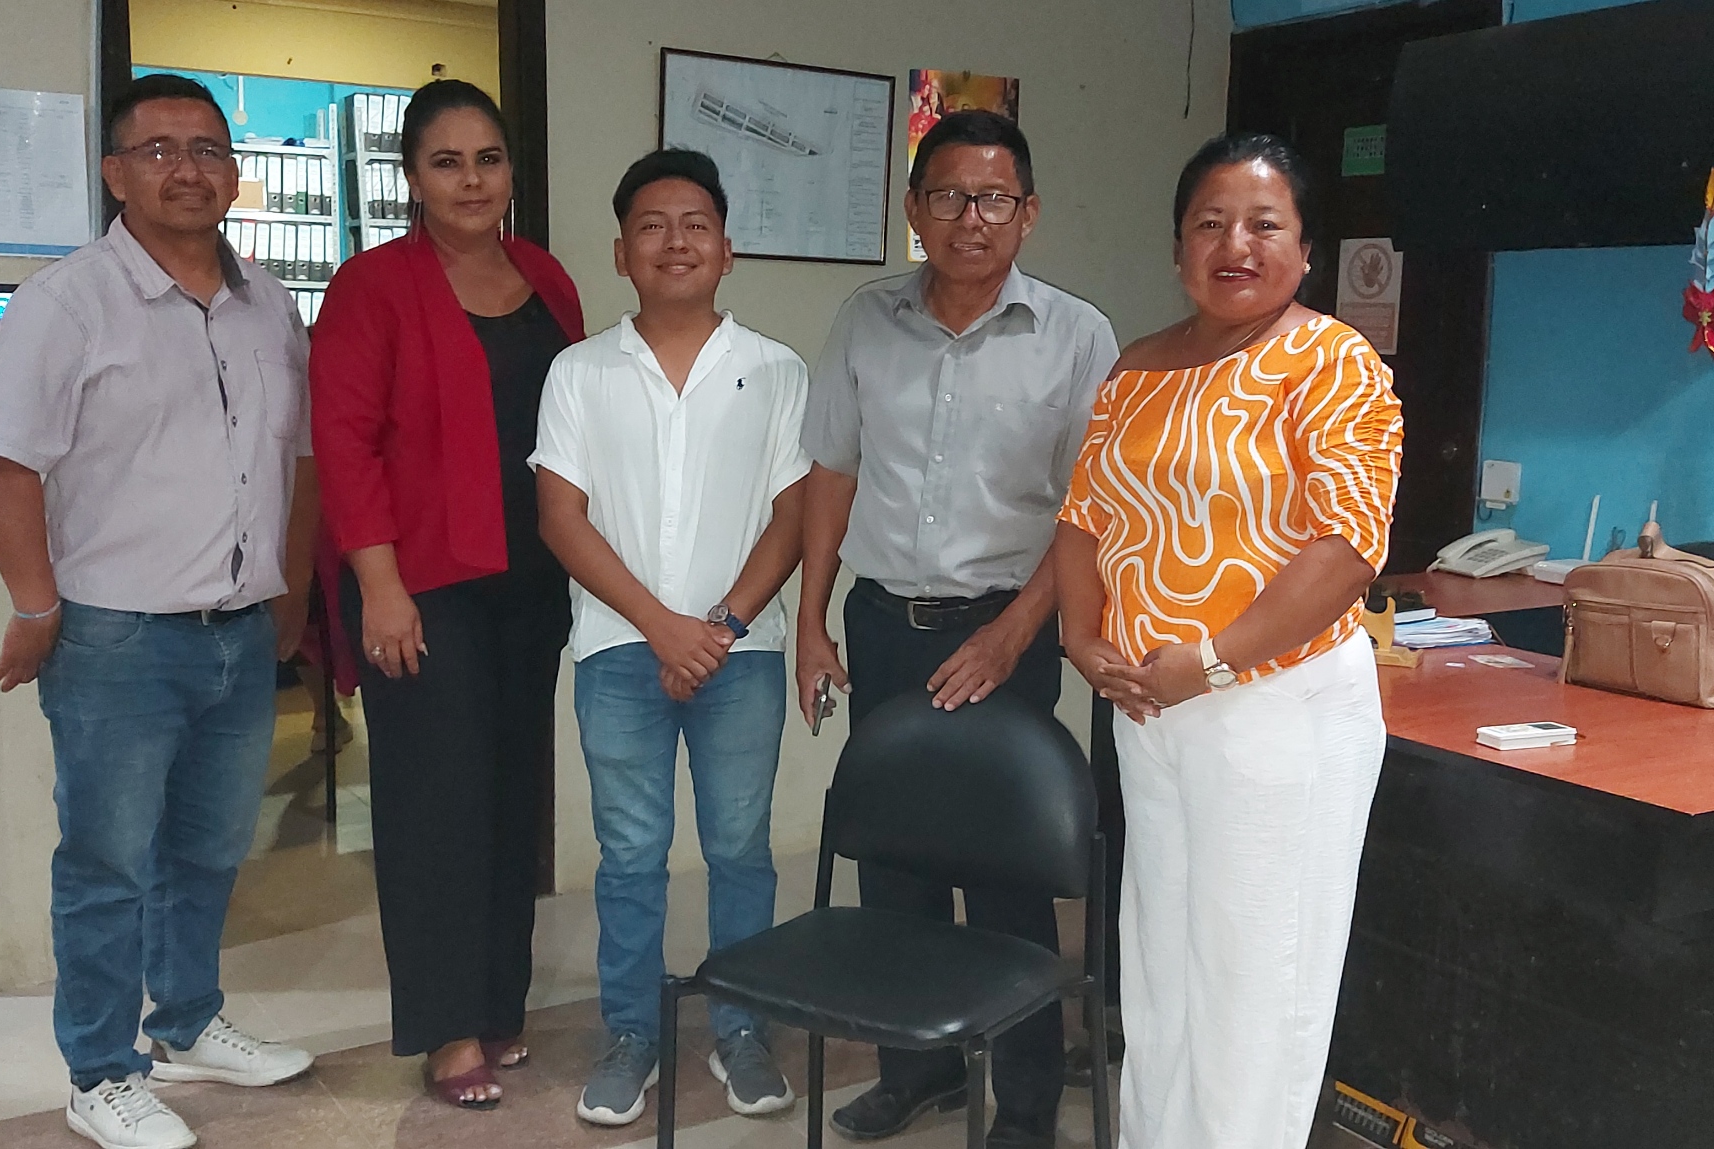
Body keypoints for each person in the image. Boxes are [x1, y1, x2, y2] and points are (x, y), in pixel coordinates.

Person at [0, 73, 319, 1149]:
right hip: (115, 637)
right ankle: (99, 1070)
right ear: (116, 173)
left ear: (235, 173)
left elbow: (299, 462)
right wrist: (35, 604)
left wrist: (293, 593)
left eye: (208, 149)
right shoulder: (65, 303)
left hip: (238, 631)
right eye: (159, 150)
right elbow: (6, 464)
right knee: (107, 864)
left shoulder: (270, 305)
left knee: (210, 850)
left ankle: (188, 1020)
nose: (187, 169)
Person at [1052, 133, 1403, 1149]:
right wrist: (1081, 637)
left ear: (1305, 249)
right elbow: (1084, 518)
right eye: (1208, 223)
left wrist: (1209, 661)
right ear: (1177, 248)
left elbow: (1346, 546)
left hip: (1272, 709)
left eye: (1262, 224)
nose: (1233, 244)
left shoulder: (1330, 363)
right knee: (1160, 969)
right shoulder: (1136, 366)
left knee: (1256, 987)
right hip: (1149, 707)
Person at [797, 110, 1119, 1149]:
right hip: (885, 624)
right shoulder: (865, 319)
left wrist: (1016, 634)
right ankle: (917, 1067)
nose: (968, 217)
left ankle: (1024, 1103)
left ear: (1027, 213)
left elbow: (1088, 513)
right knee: (893, 867)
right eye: (946, 195)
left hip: (1003, 632)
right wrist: (810, 619)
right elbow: (831, 473)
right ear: (913, 209)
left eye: (991, 198)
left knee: (1006, 876)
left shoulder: (1076, 336)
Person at [307, 78, 584, 1110]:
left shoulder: (545, 278)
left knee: (510, 798)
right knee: (437, 807)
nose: (471, 181)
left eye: (488, 159)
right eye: (446, 162)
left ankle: (498, 1001)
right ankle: (445, 1027)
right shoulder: (372, 286)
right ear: (412, 179)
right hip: (421, 588)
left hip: (530, 582)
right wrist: (378, 585)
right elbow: (343, 444)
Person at [530, 148, 810, 1127]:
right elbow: (559, 516)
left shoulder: (776, 370)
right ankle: (631, 1032)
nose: (674, 241)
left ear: (727, 250)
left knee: (739, 849)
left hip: (744, 655)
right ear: (620, 252)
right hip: (618, 651)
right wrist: (661, 627)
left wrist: (719, 628)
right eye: (651, 225)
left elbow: (793, 517)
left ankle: (742, 1026)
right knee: (630, 854)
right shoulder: (578, 371)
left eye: (695, 224)